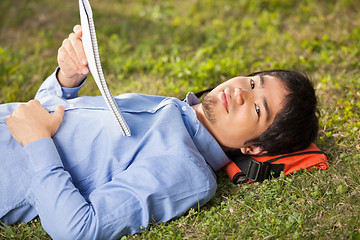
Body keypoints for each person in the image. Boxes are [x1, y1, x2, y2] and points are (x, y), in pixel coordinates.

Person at [0, 25, 318, 239]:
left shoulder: (187, 170)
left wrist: (36, 141)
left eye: (258, 109)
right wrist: (67, 78)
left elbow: (79, 228)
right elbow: (38, 115)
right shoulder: (170, 107)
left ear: (255, 148)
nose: (239, 93)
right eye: (252, 82)